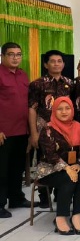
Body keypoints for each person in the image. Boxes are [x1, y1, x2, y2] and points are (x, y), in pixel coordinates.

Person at [28, 50, 75, 208]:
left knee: (64, 157)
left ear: (63, 64)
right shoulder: (37, 84)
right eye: (52, 61)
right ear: (46, 64)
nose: (56, 64)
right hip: (44, 129)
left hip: (64, 129)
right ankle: (44, 196)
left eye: (59, 61)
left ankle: (61, 192)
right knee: (45, 160)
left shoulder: (70, 83)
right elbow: (32, 109)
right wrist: (34, 133)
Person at [36, 97, 80, 234]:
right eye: (60, 109)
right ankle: (61, 218)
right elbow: (50, 154)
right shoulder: (48, 129)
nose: (64, 112)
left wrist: (79, 164)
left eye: (67, 108)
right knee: (68, 179)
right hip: (50, 169)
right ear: (54, 110)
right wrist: (66, 168)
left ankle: (76, 216)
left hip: (73, 166)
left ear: (72, 110)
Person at [0, 43, 31, 217]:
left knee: (17, 168)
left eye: (18, 54)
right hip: (3, 132)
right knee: (1, 170)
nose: (15, 58)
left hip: (21, 130)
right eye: (11, 54)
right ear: (3, 56)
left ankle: (16, 198)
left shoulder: (22, 74)